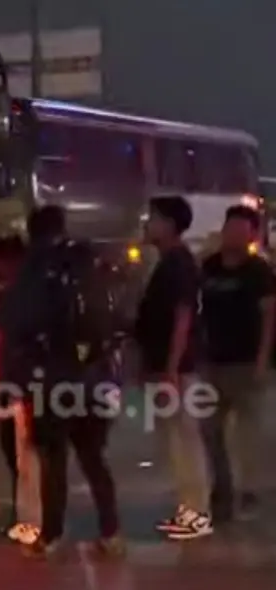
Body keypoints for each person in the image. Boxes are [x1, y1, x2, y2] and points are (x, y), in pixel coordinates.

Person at [0, 206, 122, 558]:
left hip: (50, 379)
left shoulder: (32, 269)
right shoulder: (86, 263)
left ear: (31, 231)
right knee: (93, 457)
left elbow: (17, 327)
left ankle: (51, 535)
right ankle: (111, 532)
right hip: (93, 376)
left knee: (53, 461)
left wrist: (12, 380)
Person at [136, 195, 213, 540]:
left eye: (152, 218)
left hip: (177, 370)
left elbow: (183, 316)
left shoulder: (178, 263)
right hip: (170, 367)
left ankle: (197, 512)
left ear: (169, 224)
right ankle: (188, 509)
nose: (147, 223)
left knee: (185, 440)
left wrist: (170, 369)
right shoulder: (169, 262)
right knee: (177, 441)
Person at [200, 205, 275, 522]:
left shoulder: (259, 271)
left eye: (242, 230)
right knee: (210, 430)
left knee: (248, 433)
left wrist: (262, 358)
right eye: (230, 227)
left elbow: (269, 316)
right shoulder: (209, 266)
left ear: (252, 235)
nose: (234, 235)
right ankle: (222, 487)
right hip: (212, 363)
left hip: (247, 363)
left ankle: (250, 491)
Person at [0, 235, 41, 545]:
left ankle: (31, 520)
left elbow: (0, 341)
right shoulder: (31, 292)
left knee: (24, 453)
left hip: (18, 383)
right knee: (22, 453)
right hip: (23, 381)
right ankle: (27, 516)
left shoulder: (14, 297)